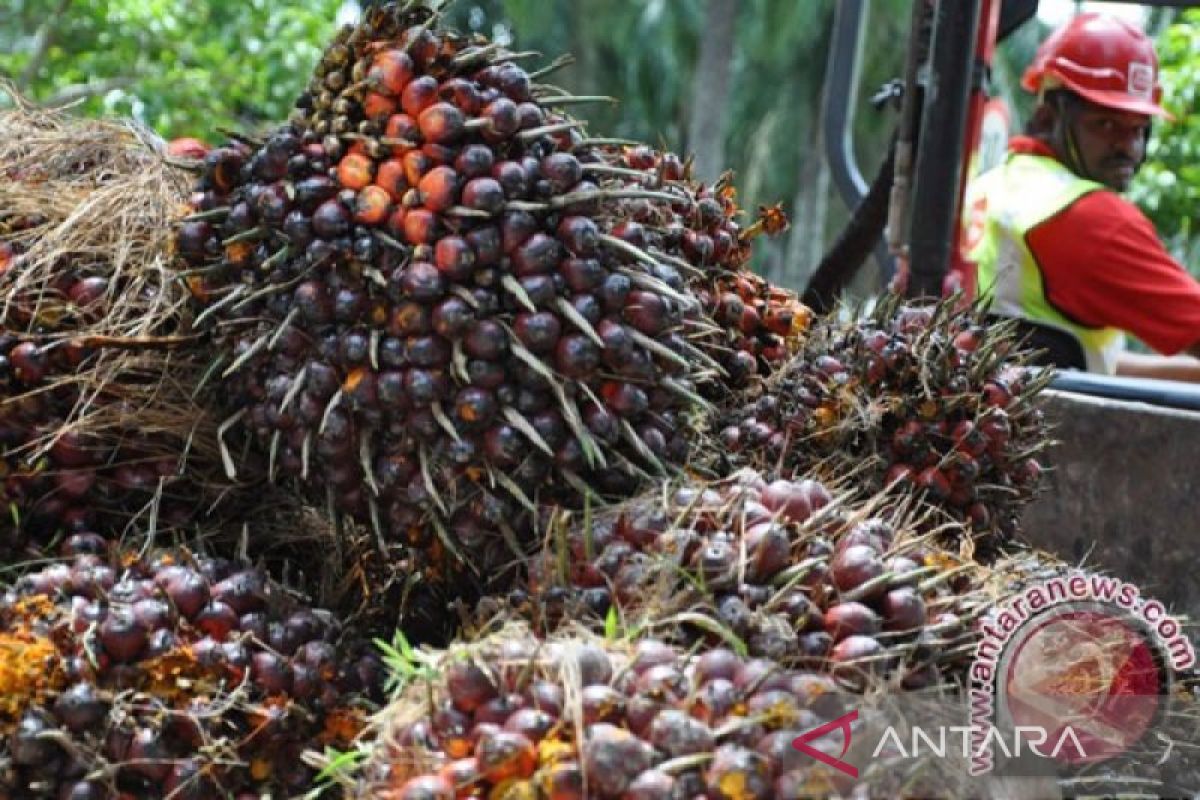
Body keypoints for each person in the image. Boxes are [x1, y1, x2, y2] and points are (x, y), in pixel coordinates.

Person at [963, 12, 1200, 381]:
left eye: (1138, 129)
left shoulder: (992, 189)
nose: (1127, 146)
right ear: (1046, 118)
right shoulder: (1090, 219)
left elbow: (1066, 357)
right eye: (1105, 124)